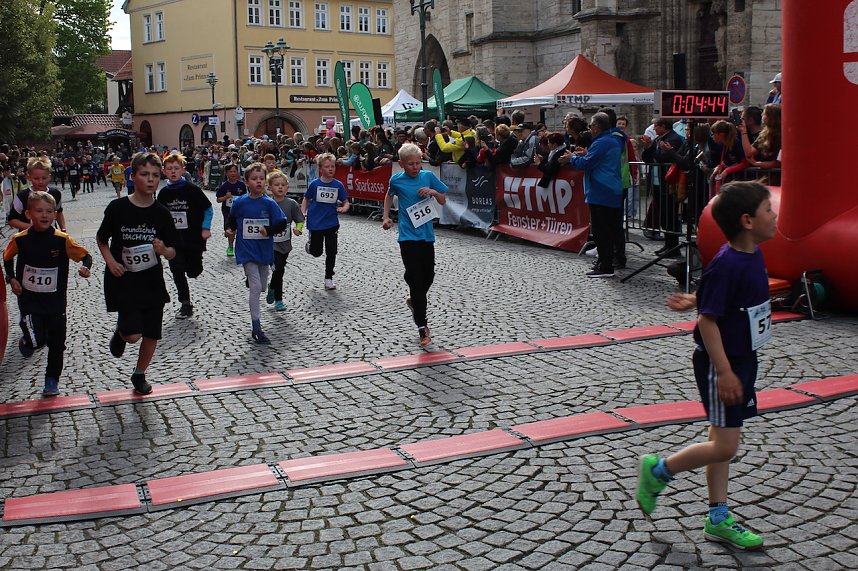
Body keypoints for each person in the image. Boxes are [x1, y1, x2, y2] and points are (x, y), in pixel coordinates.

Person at [637, 181, 777, 551]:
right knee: (726, 447)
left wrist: (698, 297)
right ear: (747, 220)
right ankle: (658, 471)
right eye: (769, 209)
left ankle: (718, 518)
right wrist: (725, 371)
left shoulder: (752, 254)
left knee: (721, 441)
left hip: (743, 359)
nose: (775, 214)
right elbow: (707, 322)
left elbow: (723, 300)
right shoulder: (727, 262)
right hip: (723, 365)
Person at [96, 152, 179, 395]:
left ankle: (139, 374)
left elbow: (174, 251)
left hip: (151, 280)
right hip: (123, 279)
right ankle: (122, 333)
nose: (150, 180)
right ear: (133, 177)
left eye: (155, 175)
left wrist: (164, 250)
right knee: (134, 335)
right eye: (144, 174)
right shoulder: (118, 208)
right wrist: (111, 261)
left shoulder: (162, 213)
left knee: (152, 331)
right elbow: (102, 239)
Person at [3, 191, 92, 397]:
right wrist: (12, 278)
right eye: (39, 211)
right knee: (38, 341)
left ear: (55, 214)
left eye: (49, 211)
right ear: (28, 213)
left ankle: (52, 380)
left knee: (57, 343)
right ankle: (28, 341)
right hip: (29, 299)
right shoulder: (20, 239)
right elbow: (7, 258)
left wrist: (86, 268)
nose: (44, 215)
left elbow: (85, 256)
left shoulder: (62, 240)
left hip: (55, 301)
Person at [382, 143, 448, 347]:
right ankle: (423, 327)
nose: (415, 167)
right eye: (410, 164)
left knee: (429, 276)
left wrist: (433, 192)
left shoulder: (428, 177)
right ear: (401, 164)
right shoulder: (397, 180)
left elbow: (443, 200)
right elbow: (389, 195)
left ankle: (413, 297)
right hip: (407, 236)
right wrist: (386, 216)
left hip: (427, 236)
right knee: (416, 281)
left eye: (418, 163)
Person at [225, 163, 288, 343]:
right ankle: (256, 327)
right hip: (246, 251)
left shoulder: (269, 203)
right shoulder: (239, 202)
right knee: (255, 287)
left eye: (261, 179)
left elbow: (282, 223)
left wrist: (268, 230)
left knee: (261, 287)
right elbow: (232, 220)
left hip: (264, 251)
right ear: (246, 182)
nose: (258, 182)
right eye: (254, 179)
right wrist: (229, 230)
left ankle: (252, 280)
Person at [565, 113, 624, 277]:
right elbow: (595, 159)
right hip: (609, 189)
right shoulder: (610, 140)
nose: (589, 129)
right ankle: (604, 262)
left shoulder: (602, 142)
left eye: (591, 126)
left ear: (597, 127)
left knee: (601, 231)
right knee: (607, 230)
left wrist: (572, 158)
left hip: (602, 190)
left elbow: (587, 163)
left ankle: (605, 266)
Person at [157, 153, 213, 319]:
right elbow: (158, 217)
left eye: (176, 168)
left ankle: (196, 266)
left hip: (193, 237)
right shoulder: (163, 194)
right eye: (169, 169)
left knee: (193, 271)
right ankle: (185, 303)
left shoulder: (192, 190)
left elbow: (208, 209)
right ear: (164, 171)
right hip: (173, 240)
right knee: (177, 270)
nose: (173, 172)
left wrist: (205, 228)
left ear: (182, 170)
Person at [301, 153, 350, 290]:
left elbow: (346, 201)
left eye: (333, 166)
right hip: (316, 222)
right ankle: (311, 245)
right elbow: (306, 199)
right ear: (321, 169)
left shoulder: (338, 185)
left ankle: (328, 277)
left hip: (331, 223)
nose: (330, 169)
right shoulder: (315, 184)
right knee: (317, 252)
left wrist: (344, 208)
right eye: (327, 167)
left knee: (332, 250)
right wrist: (303, 212)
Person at [265, 171, 304, 311]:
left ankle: (272, 287)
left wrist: (298, 229)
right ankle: (279, 299)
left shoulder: (291, 203)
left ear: (287, 187)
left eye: (283, 185)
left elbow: (299, 219)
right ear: (269, 187)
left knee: (279, 271)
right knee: (279, 268)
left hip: (285, 244)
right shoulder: (267, 203)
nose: (280, 187)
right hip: (270, 244)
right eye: (276, 185)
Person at [8, 156, 67, 233]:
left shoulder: (55, 194)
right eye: (36, 178)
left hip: (51, 236)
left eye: (44, 178)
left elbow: (59, 212)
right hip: (28, 238)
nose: (40, 181)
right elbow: (12, 220)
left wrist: (63, 228)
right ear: (29, 177)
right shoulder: (22, 196)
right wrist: (32, 227)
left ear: (49, 177)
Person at [215, 163, 247, 257]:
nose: (233, 173)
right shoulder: (224, 186)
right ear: (226, 173)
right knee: (230, 230)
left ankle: (241, 247)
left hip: (240, 211)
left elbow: (245, 197)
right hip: (228, 211)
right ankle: (230, 246)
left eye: (234, 171)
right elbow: (218, 199)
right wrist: (226, 197)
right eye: (230, 171)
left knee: (241, 229)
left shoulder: (241, 185)